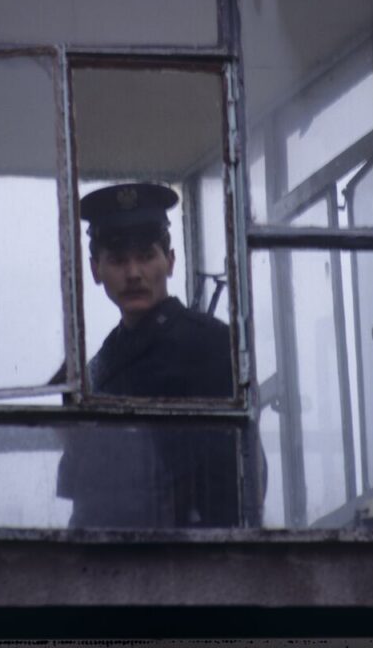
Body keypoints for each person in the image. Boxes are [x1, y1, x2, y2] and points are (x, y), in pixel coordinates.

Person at [55, 181, 240, 528]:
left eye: (146, 256)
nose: (133, 274)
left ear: (170, 261)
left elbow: (236, 477)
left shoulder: (210, 345)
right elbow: (86, 491)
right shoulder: (100, 365)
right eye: (118, 260)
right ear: (95, 270)